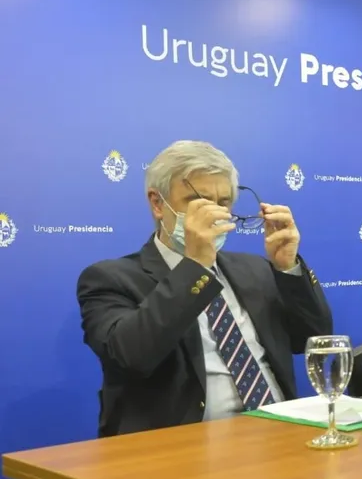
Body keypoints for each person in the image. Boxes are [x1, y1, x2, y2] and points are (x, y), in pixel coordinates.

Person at [77, 141, 332, 436]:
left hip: (279, 433)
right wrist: (195, 268)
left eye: (223, 202)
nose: (215, 214)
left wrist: (287, 269)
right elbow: (131, 358)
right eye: (198, 202)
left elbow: (314, 340)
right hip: (182, 448)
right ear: (158, 204)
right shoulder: (110, 279)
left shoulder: (254, 269)